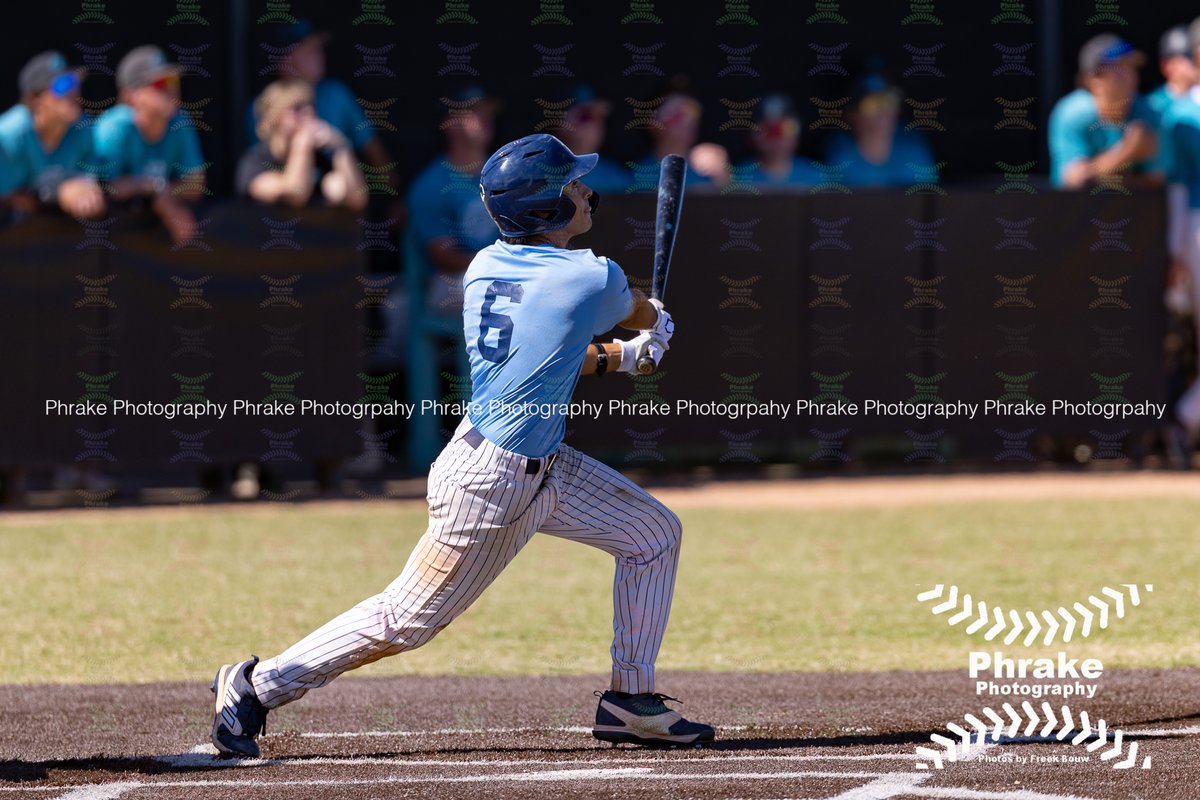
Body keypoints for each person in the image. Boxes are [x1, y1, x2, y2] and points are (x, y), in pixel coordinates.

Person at [210, 133, 713, 756]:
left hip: (535, 462)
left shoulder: (487, 265)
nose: (584, 191)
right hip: (491, 482)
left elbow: (551, 358)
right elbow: (637, 310)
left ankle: (629, 701)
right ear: (544, 208)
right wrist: (656, 325)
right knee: (406, 620)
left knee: (652, 535)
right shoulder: (588, 275)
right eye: (570, 185)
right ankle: (256, 686)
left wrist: (621, 360)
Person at [246, 20, 395, 191]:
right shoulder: (262, 105)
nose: (319, 56)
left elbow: (372, 153)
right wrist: (303, 144)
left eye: (318, 50)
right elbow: (277, 184)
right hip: (284, 203)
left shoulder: (336, 93)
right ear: (284, 61)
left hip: (336, 202)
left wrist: (339, 145)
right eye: (309, 51)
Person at [92, 45, 206, 244]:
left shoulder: (180, 121)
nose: (172, 89)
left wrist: (160, 194)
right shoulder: (114, 127)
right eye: (160, 83)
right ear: (132, 96)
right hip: (107, 242)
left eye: (173, 80)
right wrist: (156, 190)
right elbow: (103, 188)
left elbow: (196, 185)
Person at [1048, 35, 1161, 190]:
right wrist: (1127, 152)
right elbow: (1075, 181)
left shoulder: (1148, 111)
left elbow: (1157, 182)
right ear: (1094, 80)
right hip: (1076, 212)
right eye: (1120, 68)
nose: (1130, 76)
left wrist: (1099, 175)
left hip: (1134, 211)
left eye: (1132, 67)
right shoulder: (1072, 113)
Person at [0, 51, 104, 218]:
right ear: (36, 98)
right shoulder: (9, 137)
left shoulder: (83, 128)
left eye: (75, 83)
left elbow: (92, 179)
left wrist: (84, 187)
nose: (74, 92)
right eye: (63, 85)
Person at [236, 78, 367, 210]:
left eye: (311, 106)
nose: (309, 114)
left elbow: (358, 200)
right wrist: (302, 145)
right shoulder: (255, 162)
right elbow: (294, 196)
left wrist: (340, 146)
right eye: (297, 108)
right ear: (273, 118)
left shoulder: (320, 160)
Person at [822, 68, 936, 188]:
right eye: (872, 104)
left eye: (889, 100)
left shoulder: (914, 150)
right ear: (851, 114)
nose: (883, 111)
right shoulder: (840, 155)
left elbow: (930, 199)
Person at [633, 92, 730, 188]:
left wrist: (723, 178)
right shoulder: (639, 174)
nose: (688, 121)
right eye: (677, 115)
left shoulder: (709, 168)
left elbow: (733, 199)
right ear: (653, 124)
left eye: (693, 115)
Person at [555, 86, 629, 193]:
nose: (595, 124)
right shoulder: (540, 173)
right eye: (586, 117)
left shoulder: (616, 177)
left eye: (600, 117)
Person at [737, 94, 822, 187]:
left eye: (786, 129)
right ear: (751, 137)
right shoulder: (739, 178)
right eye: (767, 131)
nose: (776, 138)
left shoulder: (817, 177)